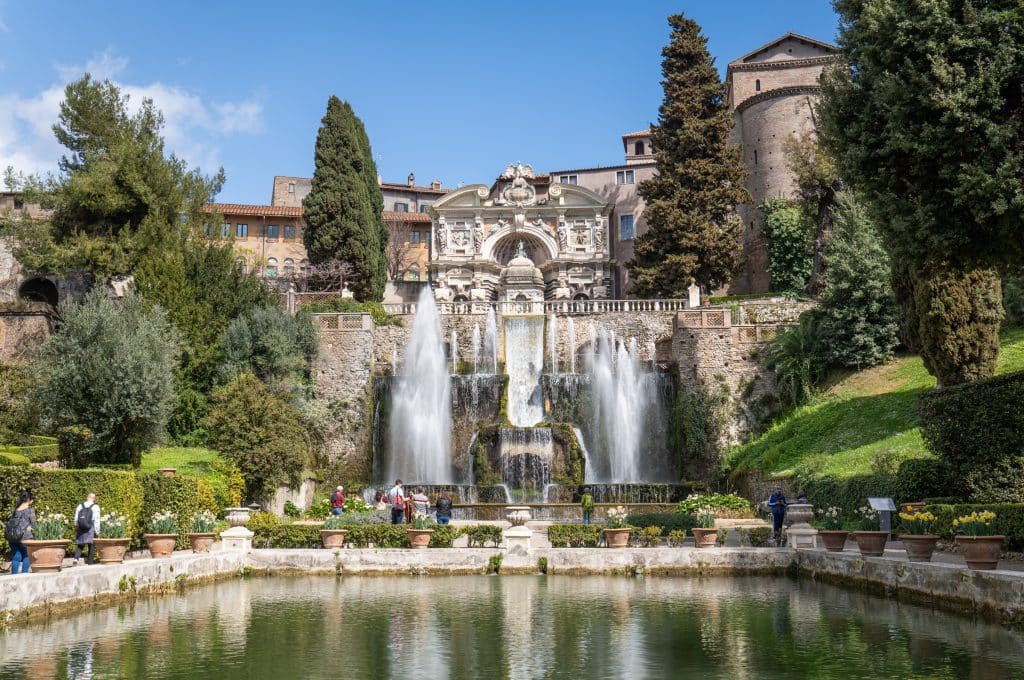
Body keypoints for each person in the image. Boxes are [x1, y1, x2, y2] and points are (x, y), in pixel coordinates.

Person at [5, 491, 36, 574]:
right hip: (25, 537)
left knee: (16, 556)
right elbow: (33, 523)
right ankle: (24, 575)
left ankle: (14, 576)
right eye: (32, 499)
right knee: (27, 555)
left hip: (13, 537)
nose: (32, 501)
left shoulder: (15, 509)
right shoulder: (30, 510)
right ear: (28, 499)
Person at [73, 493, 101, 566]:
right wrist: (97, 531)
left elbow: (76, 518)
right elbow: (96, 520)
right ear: (94, 499)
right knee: (91, 545)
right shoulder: (95, 507)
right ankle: (90, 562)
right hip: (90, 527)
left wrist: (76, 526)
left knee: (80, 544)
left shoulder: (80, 506)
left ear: (87, 497)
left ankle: (76, 559)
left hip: (81, 527)